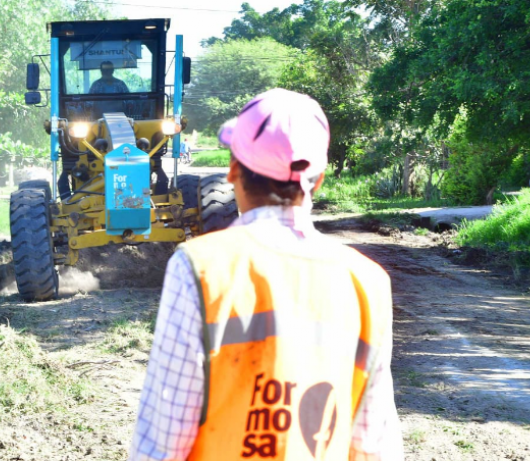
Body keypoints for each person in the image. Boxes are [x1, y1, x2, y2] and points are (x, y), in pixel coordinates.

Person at [129, 89, 403, 461]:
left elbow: (160, 443)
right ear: (318, 180)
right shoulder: (368, 282)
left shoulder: (199, 268)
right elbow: (374, 446)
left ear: (233, 170)